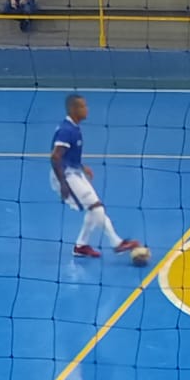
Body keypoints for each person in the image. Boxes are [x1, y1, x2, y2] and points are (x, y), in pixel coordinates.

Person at [51, 94, 142, 259]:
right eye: (83, 106)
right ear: (73, 109)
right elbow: (56, 157)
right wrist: (63, 183)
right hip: (65, 176)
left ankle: (81, 246)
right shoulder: (66, 130)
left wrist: (81, 166)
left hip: (74, 172)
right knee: (96, 206)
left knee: (94, 207)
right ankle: (116, 243)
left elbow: (67, 155)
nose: (87, 109)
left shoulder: (73, 128)